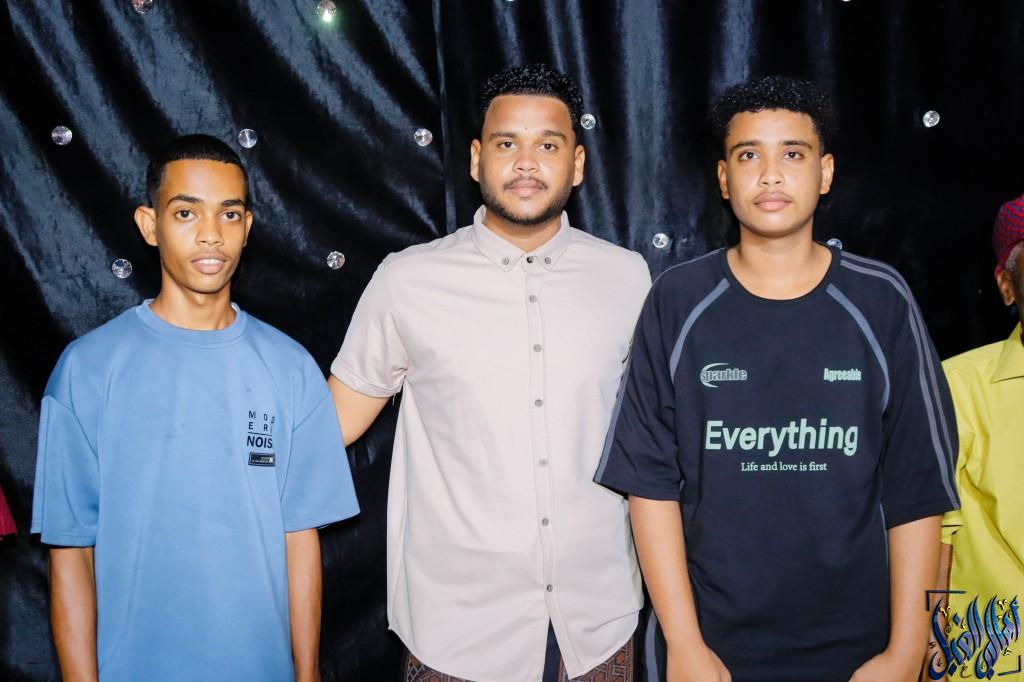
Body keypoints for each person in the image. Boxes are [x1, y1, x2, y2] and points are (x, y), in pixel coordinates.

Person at [595, 75, 959, 681]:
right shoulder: (677, 300)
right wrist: (684, 644)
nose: (770, 175)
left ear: (825, 172)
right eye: (748, 156)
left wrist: (904, 652)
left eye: (792, 154)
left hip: (862, 652)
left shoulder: (881, 301)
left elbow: (917, 490)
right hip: (711, 650)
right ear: (723, 178)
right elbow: (650, 485)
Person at [329, 64, 650, 681]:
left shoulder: (627, 277)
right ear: (477, 159)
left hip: (598, 625)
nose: (526, 163)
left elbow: (655, 440)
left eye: (548, 145)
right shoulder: (408, 280)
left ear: (578, 164)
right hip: (458, 634)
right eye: (507, 143)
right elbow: (333, 423)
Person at [31, 134, 359, 681]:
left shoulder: (291, 368)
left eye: (229, 214)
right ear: (150, 225)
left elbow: (299, 541)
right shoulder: (87, 370)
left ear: (247, 228)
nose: (211, 234)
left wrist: (306, 675)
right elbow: (70, 551)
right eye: (186, 212)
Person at [932, 194, 1024, 677]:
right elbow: (934, 541)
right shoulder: (958, 387)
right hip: (997, 663)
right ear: (1007, 286)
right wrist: (929, 658)